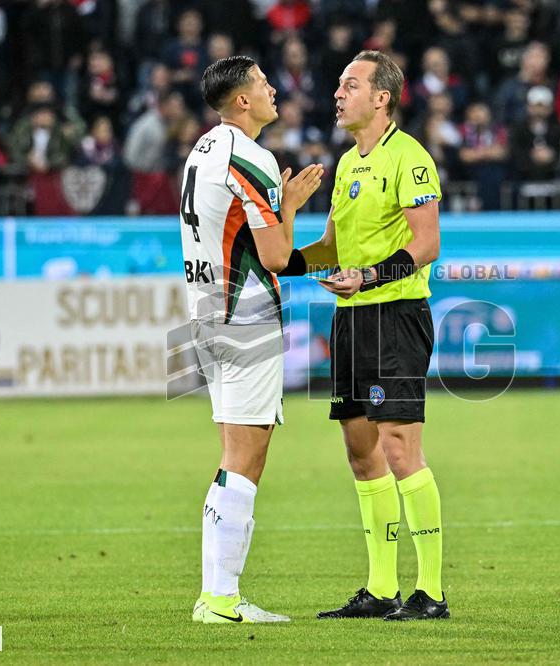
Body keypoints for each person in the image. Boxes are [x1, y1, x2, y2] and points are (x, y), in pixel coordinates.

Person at [278, 50, 447, 621]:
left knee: (401, 447)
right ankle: (381, 589)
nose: (337, 94)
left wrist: (369, 276)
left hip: (395, 314)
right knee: (361, 452)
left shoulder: (410, 157)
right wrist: (281, 253)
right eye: (338, 85)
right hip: (350, 319)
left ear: (381, 97)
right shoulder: (349, 162)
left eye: (350, 85)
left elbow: (427, 244)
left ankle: (430, 591)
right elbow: (330, 246)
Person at [183, 55, 323, 624]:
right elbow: (276, 256)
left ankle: (216, 595)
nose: (273, 90)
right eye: (264, 84)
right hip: (243, 316)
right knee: (246, 457)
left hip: (203, 311)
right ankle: (219, 598)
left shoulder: (203, 149)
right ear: (242, 100)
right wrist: (289, 207)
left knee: (233, 454)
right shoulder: (252, 156)